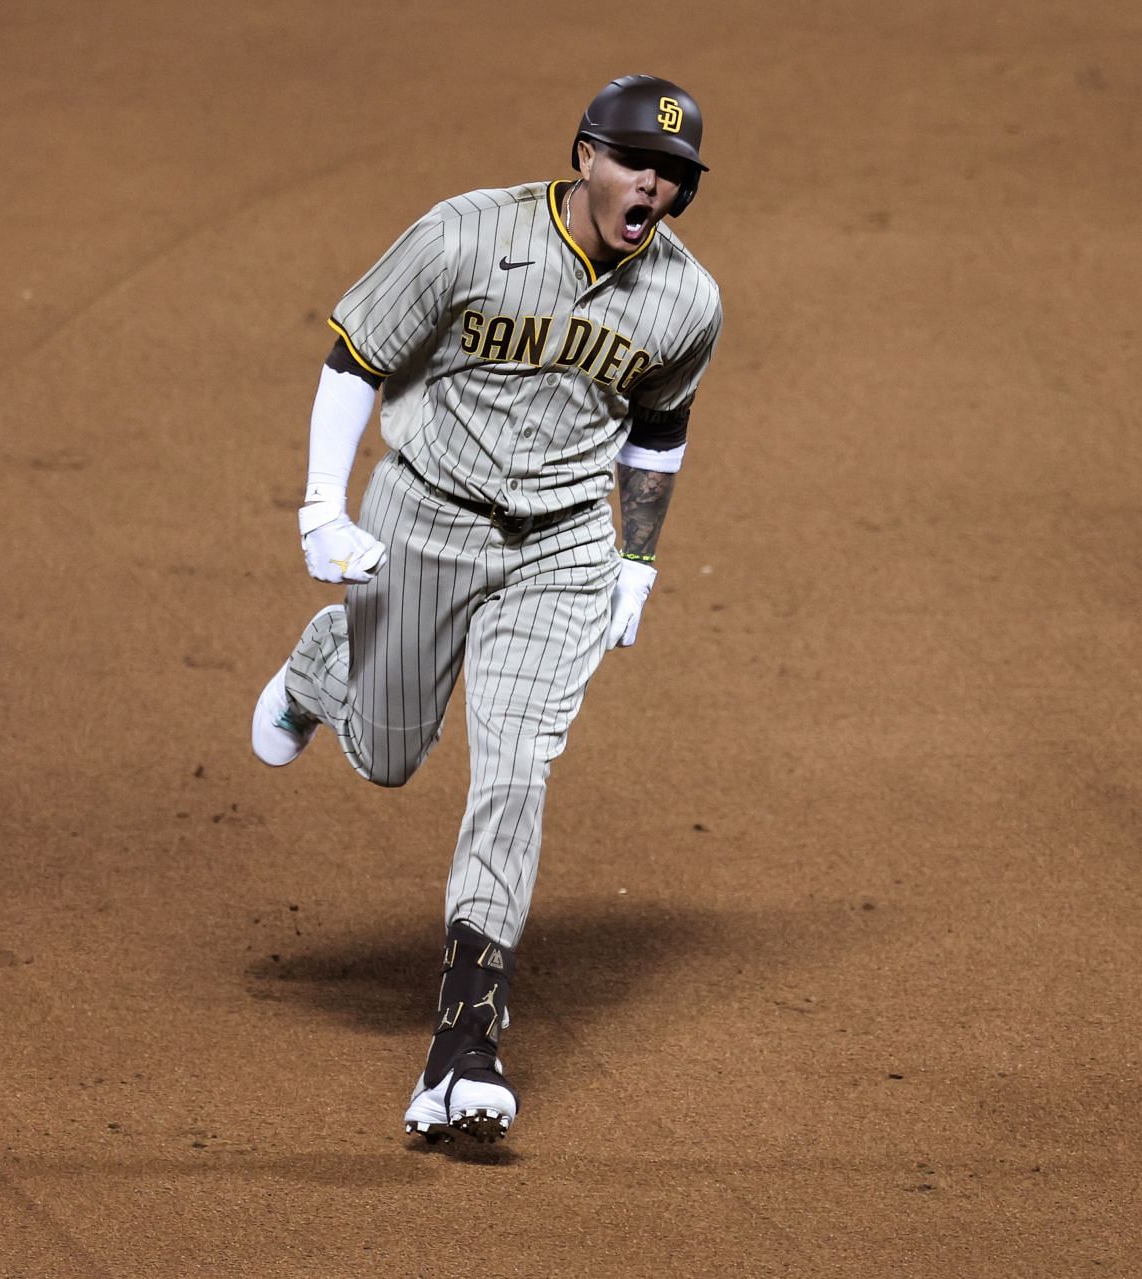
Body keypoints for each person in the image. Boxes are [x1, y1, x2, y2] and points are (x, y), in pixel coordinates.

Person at [249, 75, 722, 1145]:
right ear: (584, 157)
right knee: (386, 753)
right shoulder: (465, 237)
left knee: (514, 767)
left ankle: (464, 1045)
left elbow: (659, 428)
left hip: (560, 547)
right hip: (424, 514)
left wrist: (637, 560)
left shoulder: (687, 300)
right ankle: (332, 662)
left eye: (677, 175)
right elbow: (355, 357)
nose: (656, 183)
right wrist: (322, 506)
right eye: (638, 162)